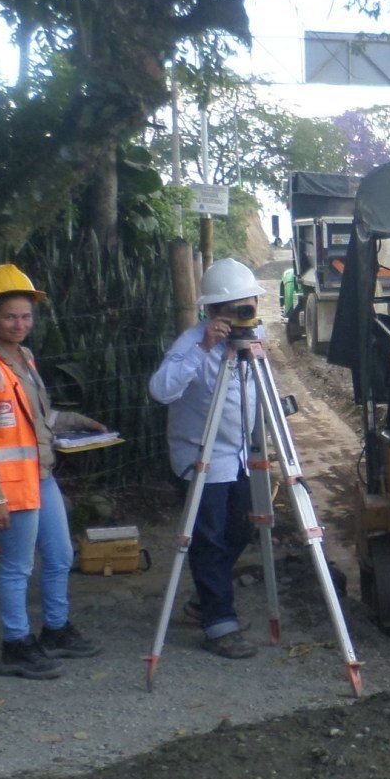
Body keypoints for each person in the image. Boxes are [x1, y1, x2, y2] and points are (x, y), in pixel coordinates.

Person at [0, 264, 107, 679]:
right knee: (17, 566)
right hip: (11, 487)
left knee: (60, 556)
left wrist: (78, 421)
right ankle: (16, 645)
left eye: (26, 316)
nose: (21, 324)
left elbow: (37, 418)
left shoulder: (23, 358)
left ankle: (55, 630)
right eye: (10, 316)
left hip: (40, 477)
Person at [148, 258, 268, 659]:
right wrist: (205, 348)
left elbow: (257, 393)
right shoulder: (192, 343)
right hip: (202, 459)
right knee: (209, 539)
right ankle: (219, 623)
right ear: (213, 311)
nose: (242, 312)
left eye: (247, 303)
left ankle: (206, 597)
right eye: (232, 306)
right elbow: (161, 391)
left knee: (239, 531)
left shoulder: (253, 339)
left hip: (237, 457)